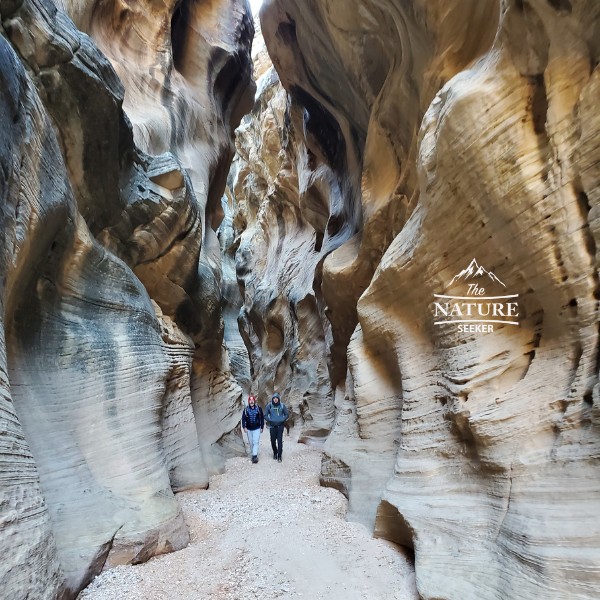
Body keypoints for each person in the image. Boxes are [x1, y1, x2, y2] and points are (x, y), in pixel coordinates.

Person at [264, 392, 288, 462]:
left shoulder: (282, 406)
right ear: (272, 399)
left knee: (280, 441)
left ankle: (279, 456)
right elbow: (265, 415)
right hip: (272, 426)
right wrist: (270, 420)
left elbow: (287, 414)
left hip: (280, 426)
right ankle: (275, 452)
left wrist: (282, 419)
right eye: (274, 398)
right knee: (272, 441)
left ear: (278, 399)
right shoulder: (269, 406)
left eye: (276, 398)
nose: (275, 399)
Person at [241, 395, 264, 463]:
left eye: (252, 400)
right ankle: (253, 453)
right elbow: (243, 419)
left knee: (255, 441)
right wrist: (244, 427)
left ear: (254, 401)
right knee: (251, 443)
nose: (251, 401)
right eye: (250, 400)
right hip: (249, 429)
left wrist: (262, 427)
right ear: (248, 401)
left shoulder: (259, 409)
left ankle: (254, 456)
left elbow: (262, 418)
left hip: (256, 428)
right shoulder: (246, 410)